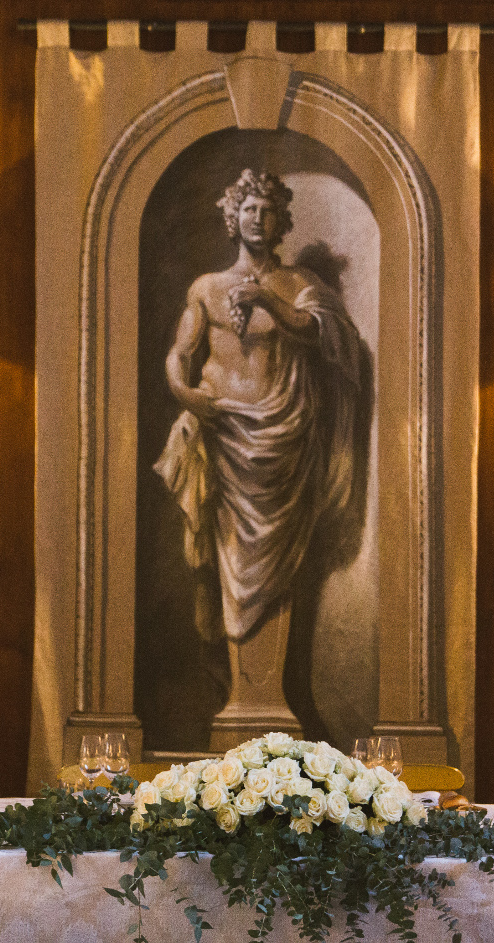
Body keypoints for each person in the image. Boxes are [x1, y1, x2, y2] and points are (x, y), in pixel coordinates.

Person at [154, 169, 363, 737]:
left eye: (269, 211)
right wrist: (185, 393)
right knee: (220, 569)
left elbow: (326, 338)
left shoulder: (299, 284)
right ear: (233, 215)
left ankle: (271, 705)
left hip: (284, 446)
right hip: (224, 438)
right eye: (249, 209)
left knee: (281, 575)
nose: (258, 220)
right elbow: (181, 352)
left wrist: (270, 297)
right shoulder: (205, 287)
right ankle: (239, 702)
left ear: (281, 221)